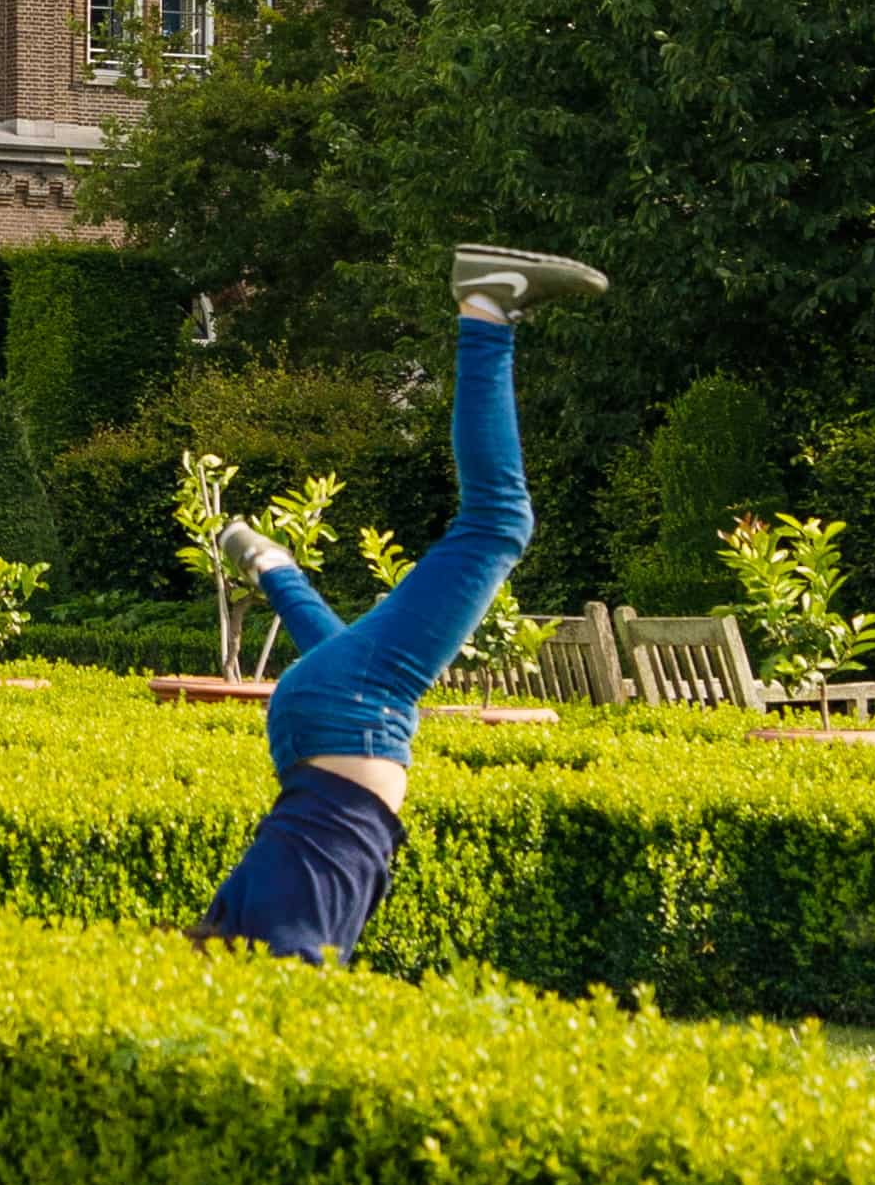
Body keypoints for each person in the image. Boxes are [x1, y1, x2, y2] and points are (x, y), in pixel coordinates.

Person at [187, 250, 603, 960]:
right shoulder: (247, 920)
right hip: (319, 721)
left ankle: (487, 307)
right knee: (344, 655)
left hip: (347, 717)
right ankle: (269, 564)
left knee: (498, 521)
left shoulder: (278, 946)